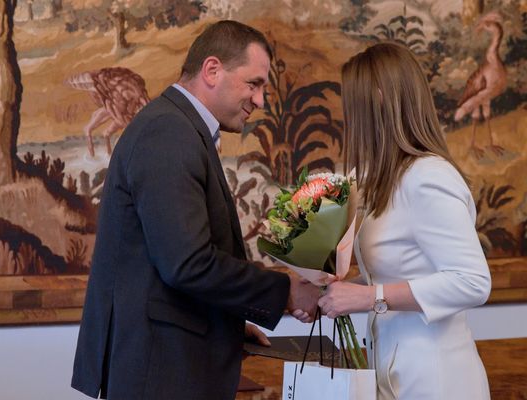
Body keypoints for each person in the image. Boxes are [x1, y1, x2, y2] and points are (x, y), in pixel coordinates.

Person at [71, 20, 319, 400]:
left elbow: (166, 264)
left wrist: (226, 323)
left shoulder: (178, 127)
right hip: (160, 373)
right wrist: (285, 292)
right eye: (253, 84)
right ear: (212, 70)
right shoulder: (168, 132)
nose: (260, 101)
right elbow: (187, 263)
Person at [316, 42, 492, 399]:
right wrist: (332, 289)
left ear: (379, 101)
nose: (347, 117)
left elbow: (473, 282)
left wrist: (369, 297)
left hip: (436, 381)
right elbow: (396, 273)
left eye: (352, 104)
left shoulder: (428, 177)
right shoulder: (381, 180)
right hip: (394, 373)